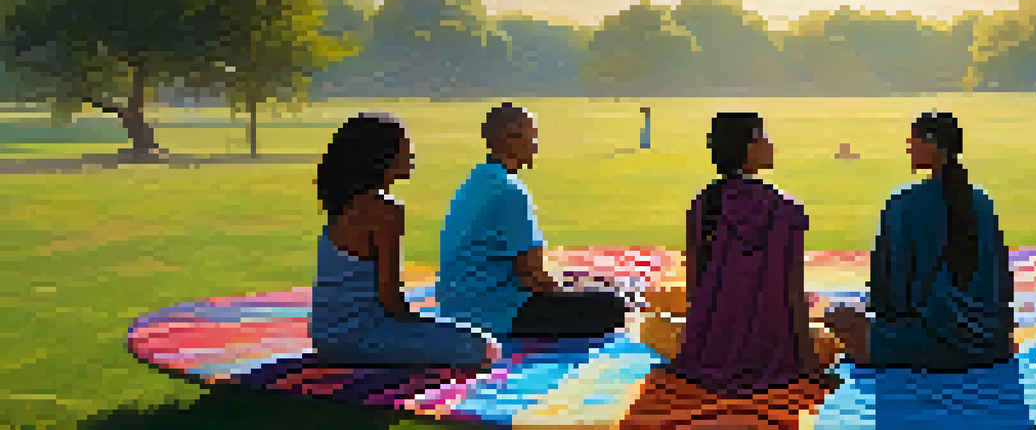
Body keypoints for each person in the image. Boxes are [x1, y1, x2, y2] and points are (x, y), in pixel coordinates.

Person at [624, 112, 837, 427]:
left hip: (707, 354)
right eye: (763, 138)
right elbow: (792, 292)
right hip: (773, 357)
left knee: (652, 325)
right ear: (749, 149)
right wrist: (809, 369)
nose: (770, 145)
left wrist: (705, 337)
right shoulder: (786, 209)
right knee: (830, 336)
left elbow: (696, 287)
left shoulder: (703, 204)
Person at [824, 111, 1014, 370]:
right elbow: (1002, 281)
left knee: (835, 315)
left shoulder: (903, 204)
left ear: (931, 144)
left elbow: (888, 291)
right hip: (990, 345)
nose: (908, 148)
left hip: (926, 343)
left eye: (912, 141)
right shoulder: (982, 202)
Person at [310, 113, 497, 367]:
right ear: (383, 156)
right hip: (359, 337)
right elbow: (392, 300)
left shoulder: (345, 203)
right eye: (405, 146)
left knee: (451, 330)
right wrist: (428, 327)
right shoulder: (385, 211)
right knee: (483, 347)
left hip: (325, 336)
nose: (411, 154)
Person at [436, 103, 627, 342]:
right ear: (510, 139)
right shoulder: (510, 191)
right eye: (531, 136)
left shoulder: (477, 180)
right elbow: (533, 278)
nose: (535, 145)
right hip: (493, 313)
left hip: (457, 307)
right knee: (612, 304)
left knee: (588, 286)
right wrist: (579, 290)